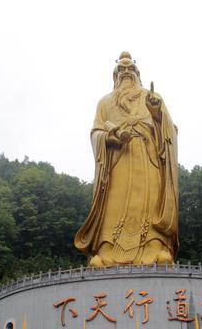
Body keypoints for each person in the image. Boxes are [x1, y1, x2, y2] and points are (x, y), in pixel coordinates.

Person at [75, 52, 179, 267]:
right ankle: (106, 250)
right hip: (117, 162)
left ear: (138, 74)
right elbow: (95, 131)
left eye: (130, 69)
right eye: (121, 70)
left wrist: (157, 113)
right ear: (115, 76)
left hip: (148, 157)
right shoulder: (105, 103)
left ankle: (155, 246)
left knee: (149, 203)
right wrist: (111, 136)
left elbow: (170, 131)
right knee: (113, 202)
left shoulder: (151, 97)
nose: (126, 72)